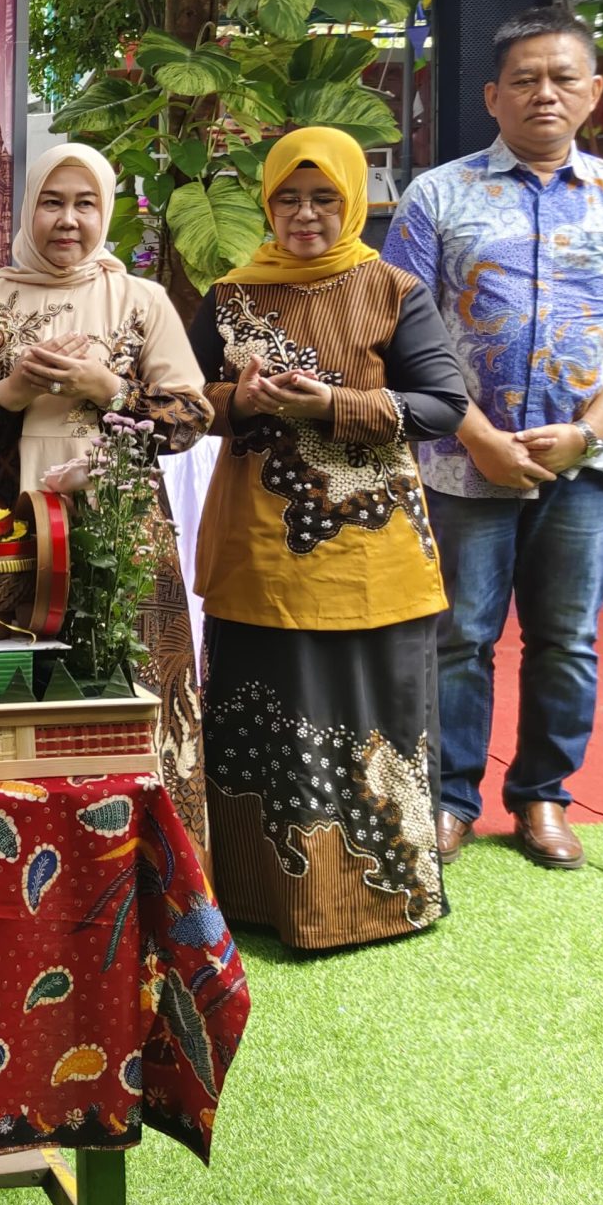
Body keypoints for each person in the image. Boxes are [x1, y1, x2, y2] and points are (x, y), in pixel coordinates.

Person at [382, 8, 603, 870]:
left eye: (562, 78)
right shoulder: (437, 195)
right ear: (493, 96)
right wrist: (479, 435)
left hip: (585, 466)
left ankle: (544, 795)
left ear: (594, 92)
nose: (544, 94)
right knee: (459, 637)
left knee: (567, 639)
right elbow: (400, 331)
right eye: (524, 79)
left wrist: (590, 433)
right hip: (463, 461)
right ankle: (449, 800)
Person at [185, 130, 471, 947]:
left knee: (367, 716)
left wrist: (335, 406)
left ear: (351, 203)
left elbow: (444, 404)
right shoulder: (231, 294)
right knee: (263, 715)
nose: (305, 215)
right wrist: (238, 400)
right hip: (259, 548)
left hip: (371, 553)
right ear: (267, 204)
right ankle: (258, 897)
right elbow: (181, 399)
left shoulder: (392, 290)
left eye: (324, 199)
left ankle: (376, 902)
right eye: (289, 198)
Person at [0, 143, 216, 852]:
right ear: (28, 208)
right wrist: (12, 392)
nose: (68, 220)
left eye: (85, 204)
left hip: (124, 535)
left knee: (135, 691)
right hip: (4, 538)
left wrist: (106, 389)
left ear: (106, 212)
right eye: (52, 203)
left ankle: (160, 872)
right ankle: (13, 866)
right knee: (13, 700)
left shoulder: (141, 301)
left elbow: (190, 416)